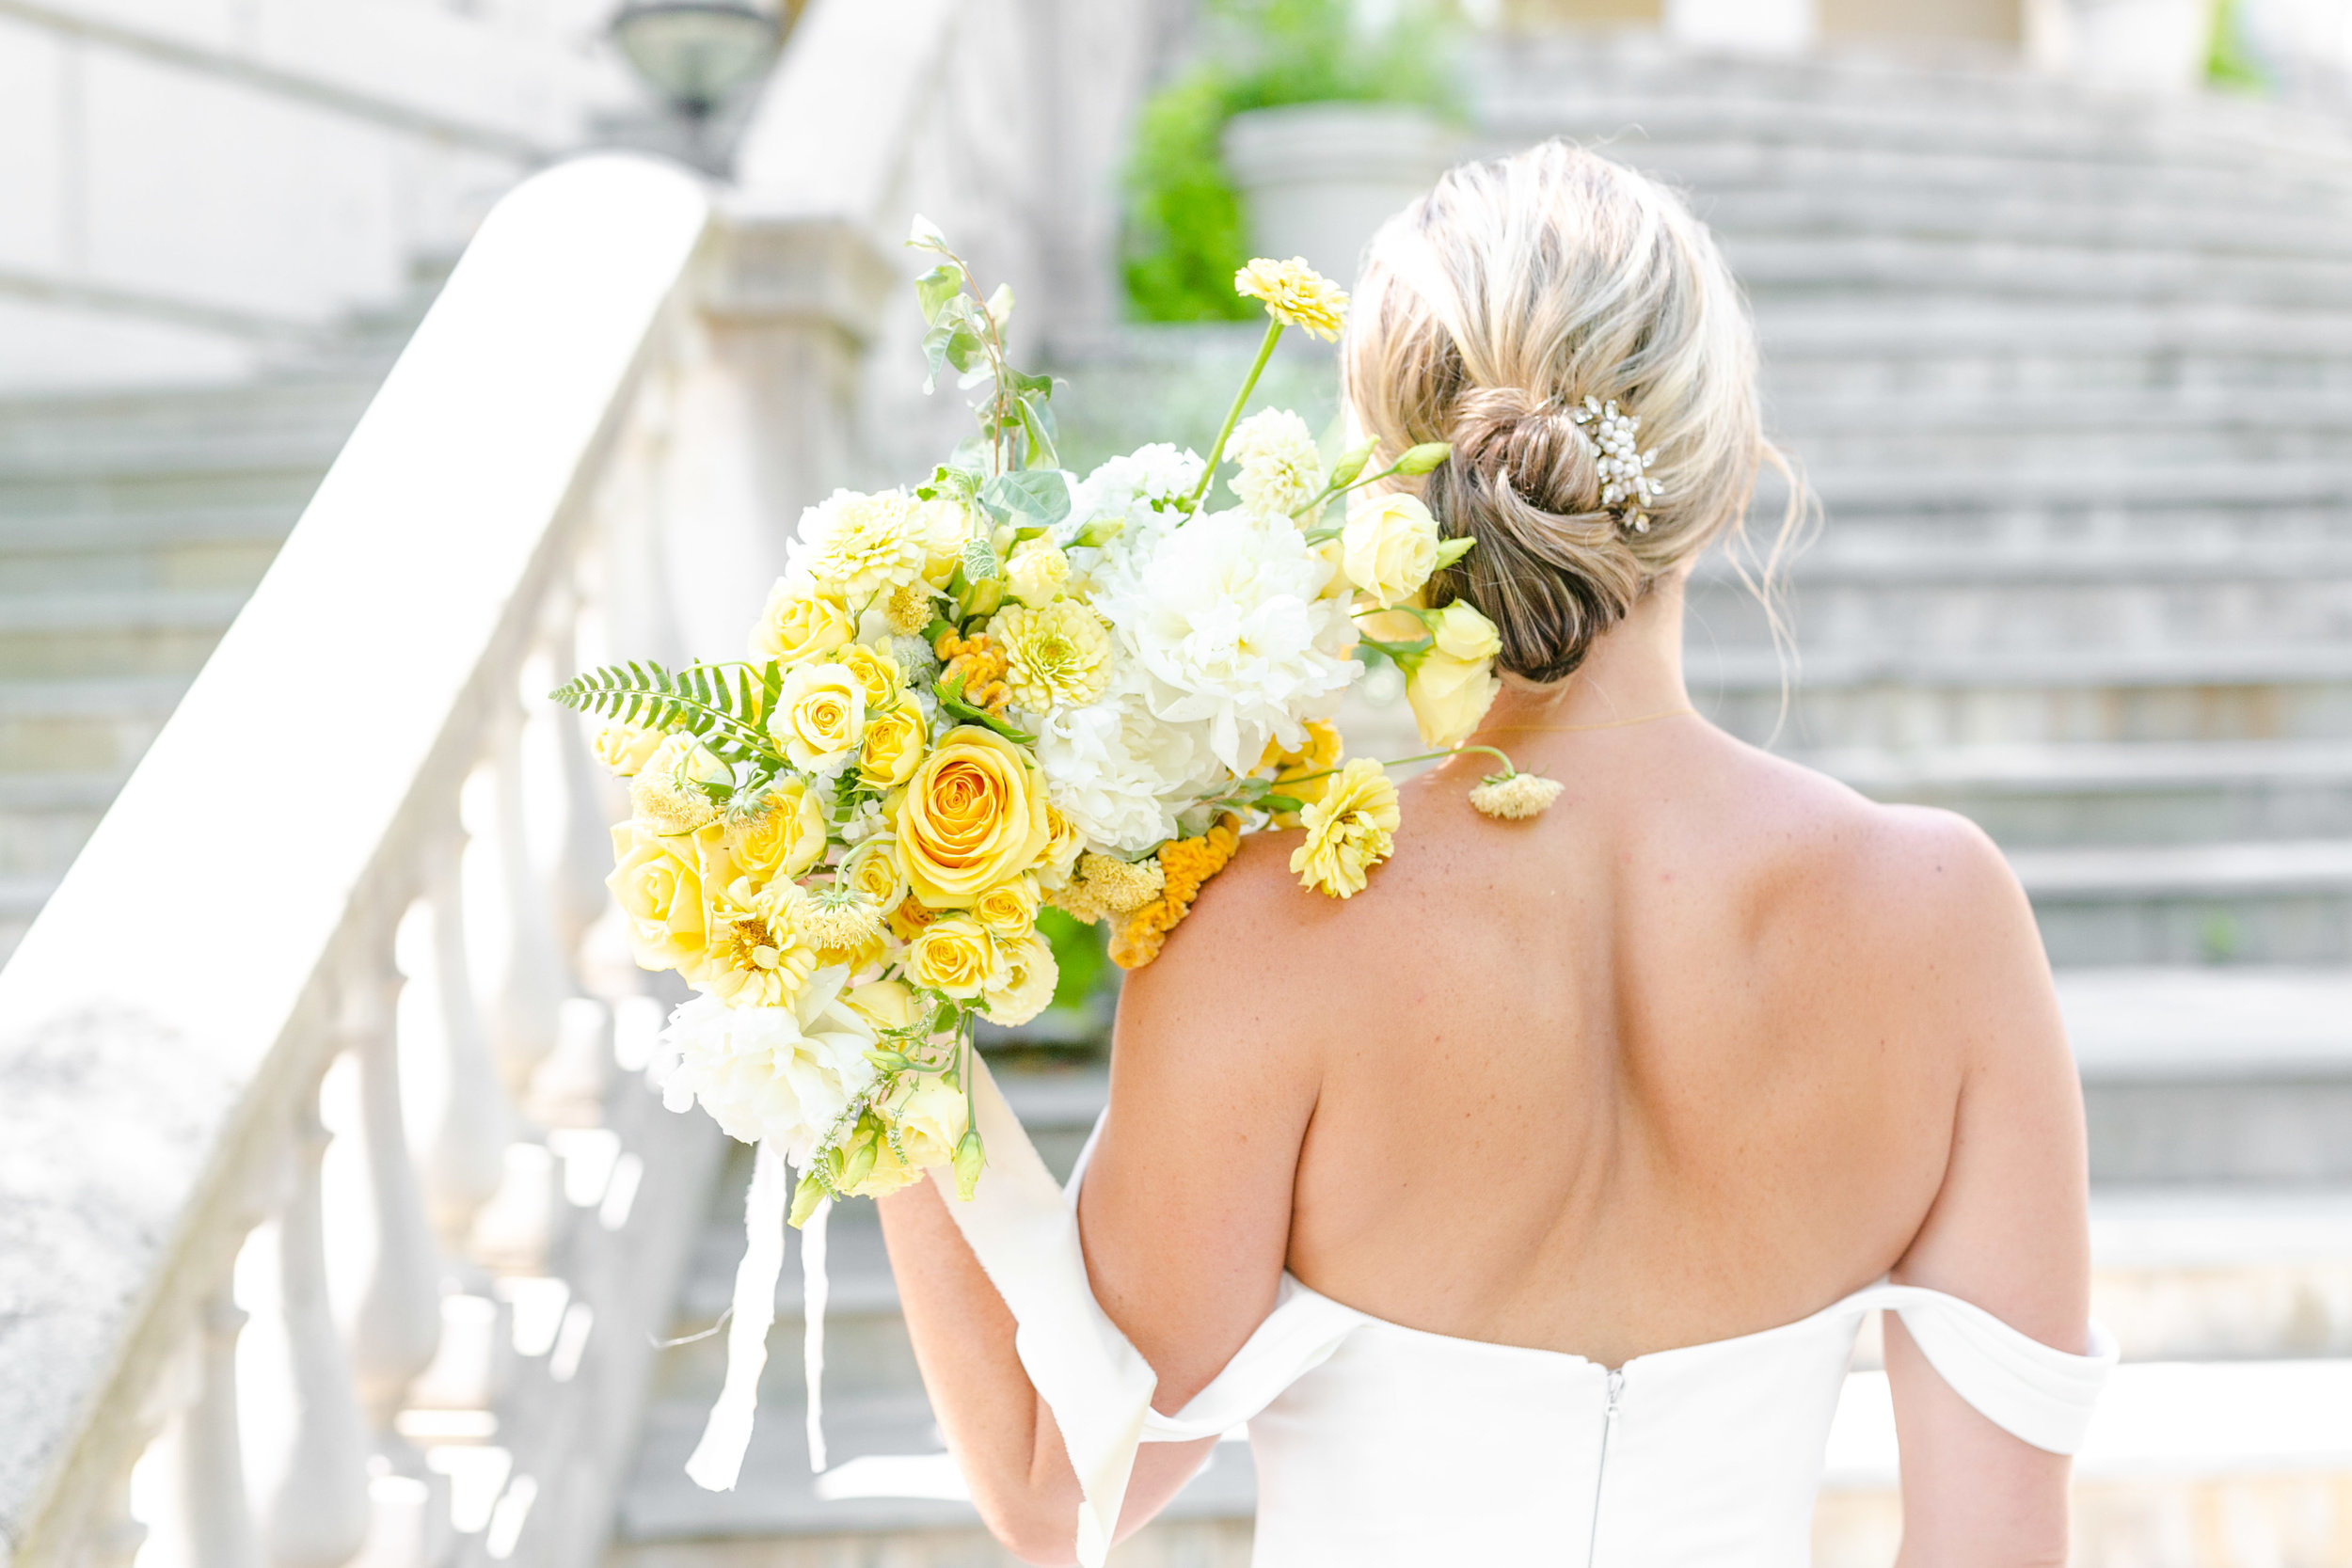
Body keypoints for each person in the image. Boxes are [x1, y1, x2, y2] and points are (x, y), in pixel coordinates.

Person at [875, 140, 2112, 1567]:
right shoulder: (1940, 921)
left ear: (1379, 494)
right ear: (1726, 472)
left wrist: (863, 1007)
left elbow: (1051, 1485)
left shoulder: (1264, 928)